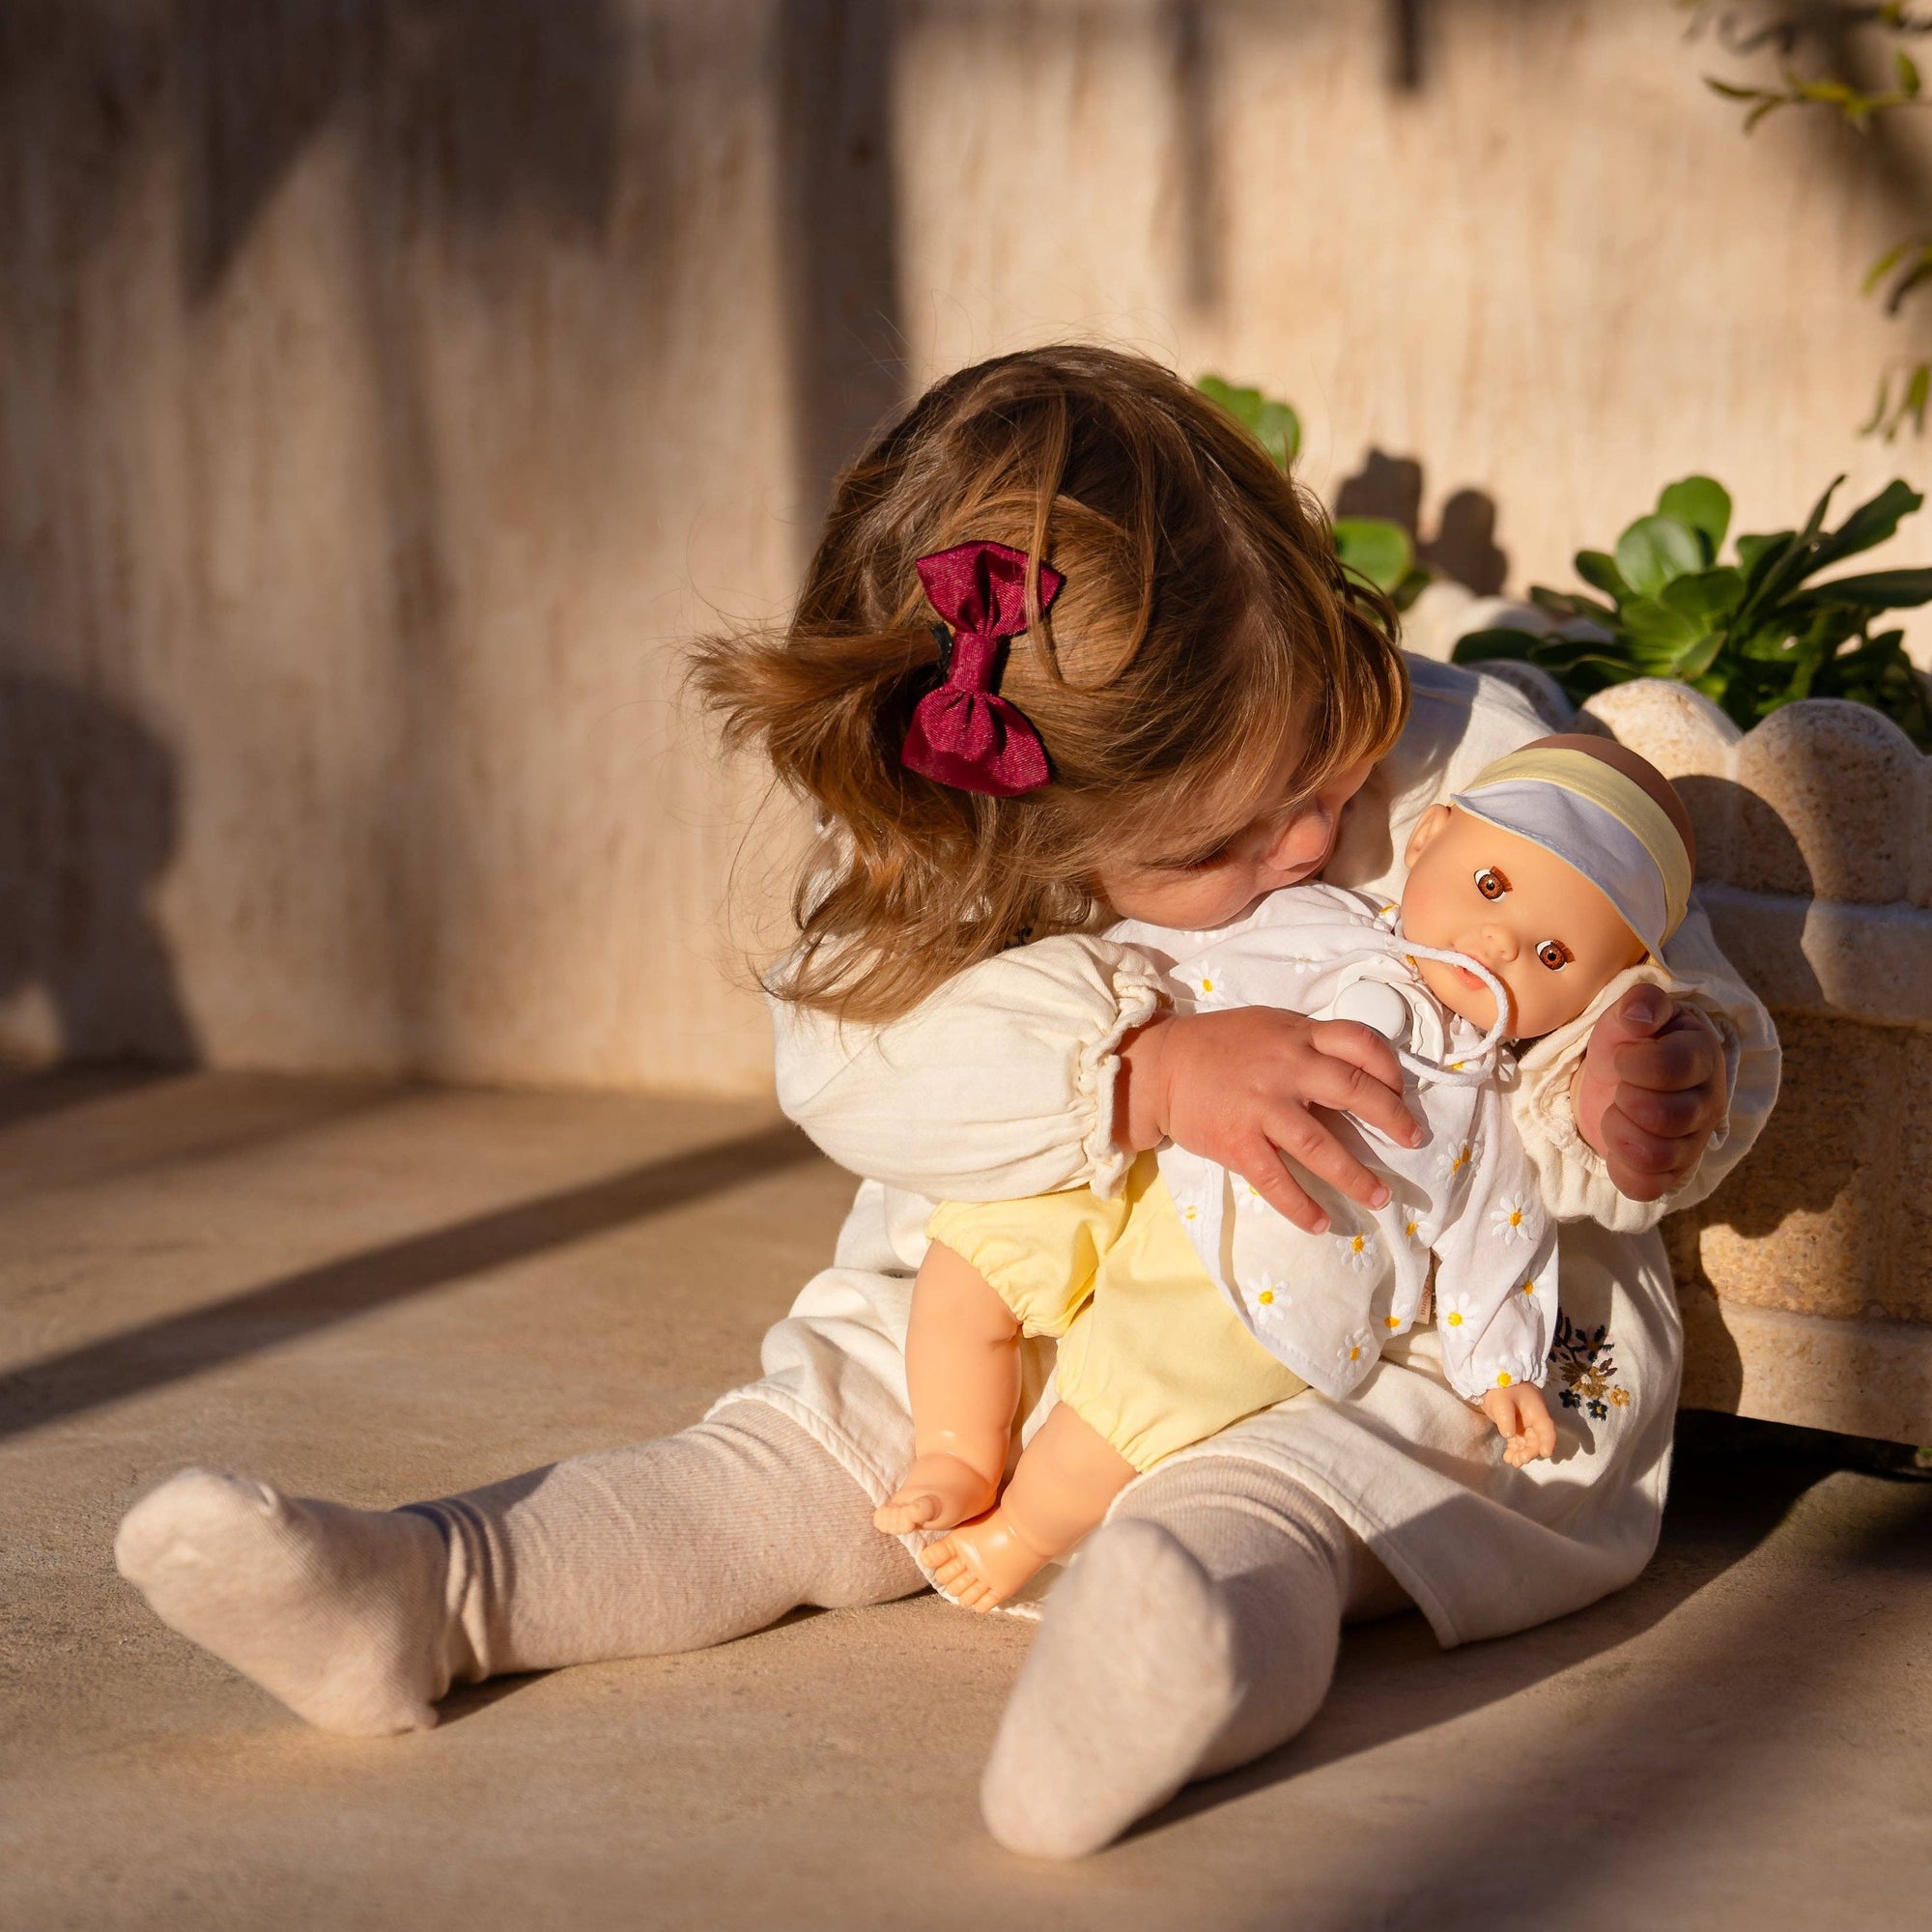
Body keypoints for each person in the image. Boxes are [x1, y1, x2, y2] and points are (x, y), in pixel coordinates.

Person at [113, 346, 1779, 1861]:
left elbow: (1663, 976)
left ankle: (1170, 1668)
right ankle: (435, 1589)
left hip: (1405, 1333)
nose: (1307, 836)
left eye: (1327, 765)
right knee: (800, 1452)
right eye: (1223, 842)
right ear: (1011, 839)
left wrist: (1660, 1078)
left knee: (1283, 1503)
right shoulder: (943, 861)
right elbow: (846, 1067)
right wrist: (1134, 1073)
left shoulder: (1482, 757)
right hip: (1016, 1316)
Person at [886, 735, 1700, 1612]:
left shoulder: (1489, 1105)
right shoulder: (1302, 915)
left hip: (1277, 1260)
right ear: (1428, 841)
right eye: (1490, 886)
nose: (1500, 941)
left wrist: (1499, 1369)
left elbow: (1495, 1240)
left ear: (1597, 997)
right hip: (1144, 1150)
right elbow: (1141, 953)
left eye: (1553, 958)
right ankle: (956, 1448)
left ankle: (1024, 1532)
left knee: (1141, 1396)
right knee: (978, 1253)